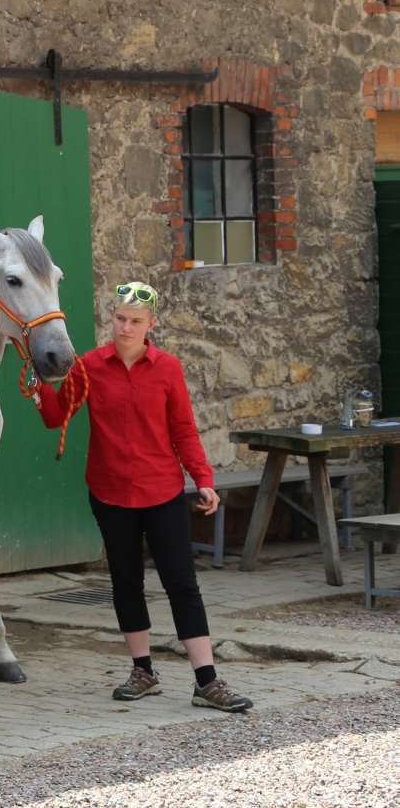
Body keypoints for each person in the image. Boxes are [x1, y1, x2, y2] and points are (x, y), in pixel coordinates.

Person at [36, 280, 253, 713]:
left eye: (136, 321)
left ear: (151, 323)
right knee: (126, 581)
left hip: (162, 490)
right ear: (110, 318)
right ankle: (143, 671)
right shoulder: (89, 367)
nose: (126, 327)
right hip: (111, 492)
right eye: (120, 318)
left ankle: (206, 681)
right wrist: (39, 384)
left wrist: (203, 478)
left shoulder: (168, 368)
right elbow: (55, 416)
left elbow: (183, 430)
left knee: (181, 583)